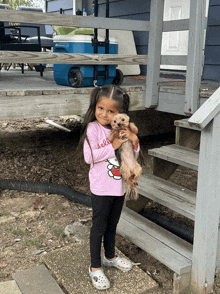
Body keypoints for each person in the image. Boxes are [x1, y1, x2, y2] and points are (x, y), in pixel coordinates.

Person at [78, 84, 140, 290]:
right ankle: (95, 267)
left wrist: (134, 142)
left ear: (120, 113)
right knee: (98, 228)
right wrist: (111, 145)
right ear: (94, 107)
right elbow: (90, 157)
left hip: (119, 188)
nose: (104, 114)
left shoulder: (123, 129)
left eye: (111, 111)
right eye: (100, 108)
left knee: (112, 226)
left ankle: (110, 256)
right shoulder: (93, 129)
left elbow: (131, 159)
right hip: (101, 189)